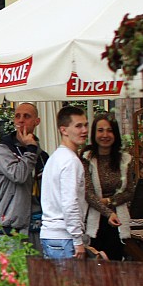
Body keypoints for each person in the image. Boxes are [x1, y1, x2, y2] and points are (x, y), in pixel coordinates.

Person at [0, 103, 49, 245]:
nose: (21, 120)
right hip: (10, 227)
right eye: (17, 116)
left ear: (37, 121)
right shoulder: (3, 149)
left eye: (26, 116)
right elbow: (18, 175)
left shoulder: (42, 156)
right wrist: (31, 150)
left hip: (38, 226)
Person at [83, 114, 136, 261]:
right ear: (94, 134)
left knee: (115, 265)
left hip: (118, 222)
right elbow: (88, 193)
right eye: (100, 130)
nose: (105, 135)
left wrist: (109, 201)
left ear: (116, 134)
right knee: (95, 266)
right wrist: (108, 213)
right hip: (94, 221)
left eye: (109, 130)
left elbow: (129, 192)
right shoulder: (87, 158)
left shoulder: (125, 159)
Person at [40, 106, 90, 260]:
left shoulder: (55, 157)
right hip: (65, 237)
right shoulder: (70, 161)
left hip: (50, 234)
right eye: (78, 126)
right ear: (64, 130)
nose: (84, 130)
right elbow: (70, 203)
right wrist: (77, 239)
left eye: (86, 125)